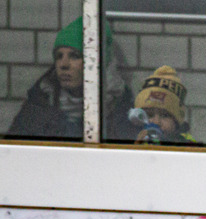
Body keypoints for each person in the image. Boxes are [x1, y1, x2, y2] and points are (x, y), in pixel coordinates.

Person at [5, 16, 134, 142]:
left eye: (74, 56)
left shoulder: (124, 111)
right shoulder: (37, 107)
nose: (64, 64)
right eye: (59, 56)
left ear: (98, 63)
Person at [130, 66, 198, 145]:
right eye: (149, 115)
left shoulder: (185, 143)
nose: (156, 122)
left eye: (164, 115)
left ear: (176, 122)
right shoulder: (133, 137)